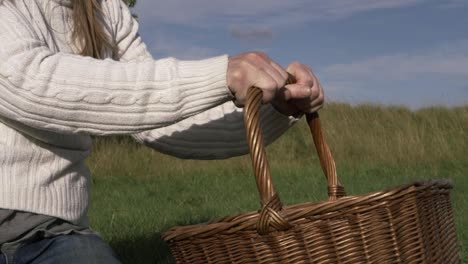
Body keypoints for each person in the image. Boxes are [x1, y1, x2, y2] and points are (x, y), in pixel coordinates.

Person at [0, 0, 324, 263]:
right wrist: (217, 74)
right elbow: (25, 82)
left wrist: (276, 108)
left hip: (54, 232)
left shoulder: (106, 10)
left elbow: (162, 120)